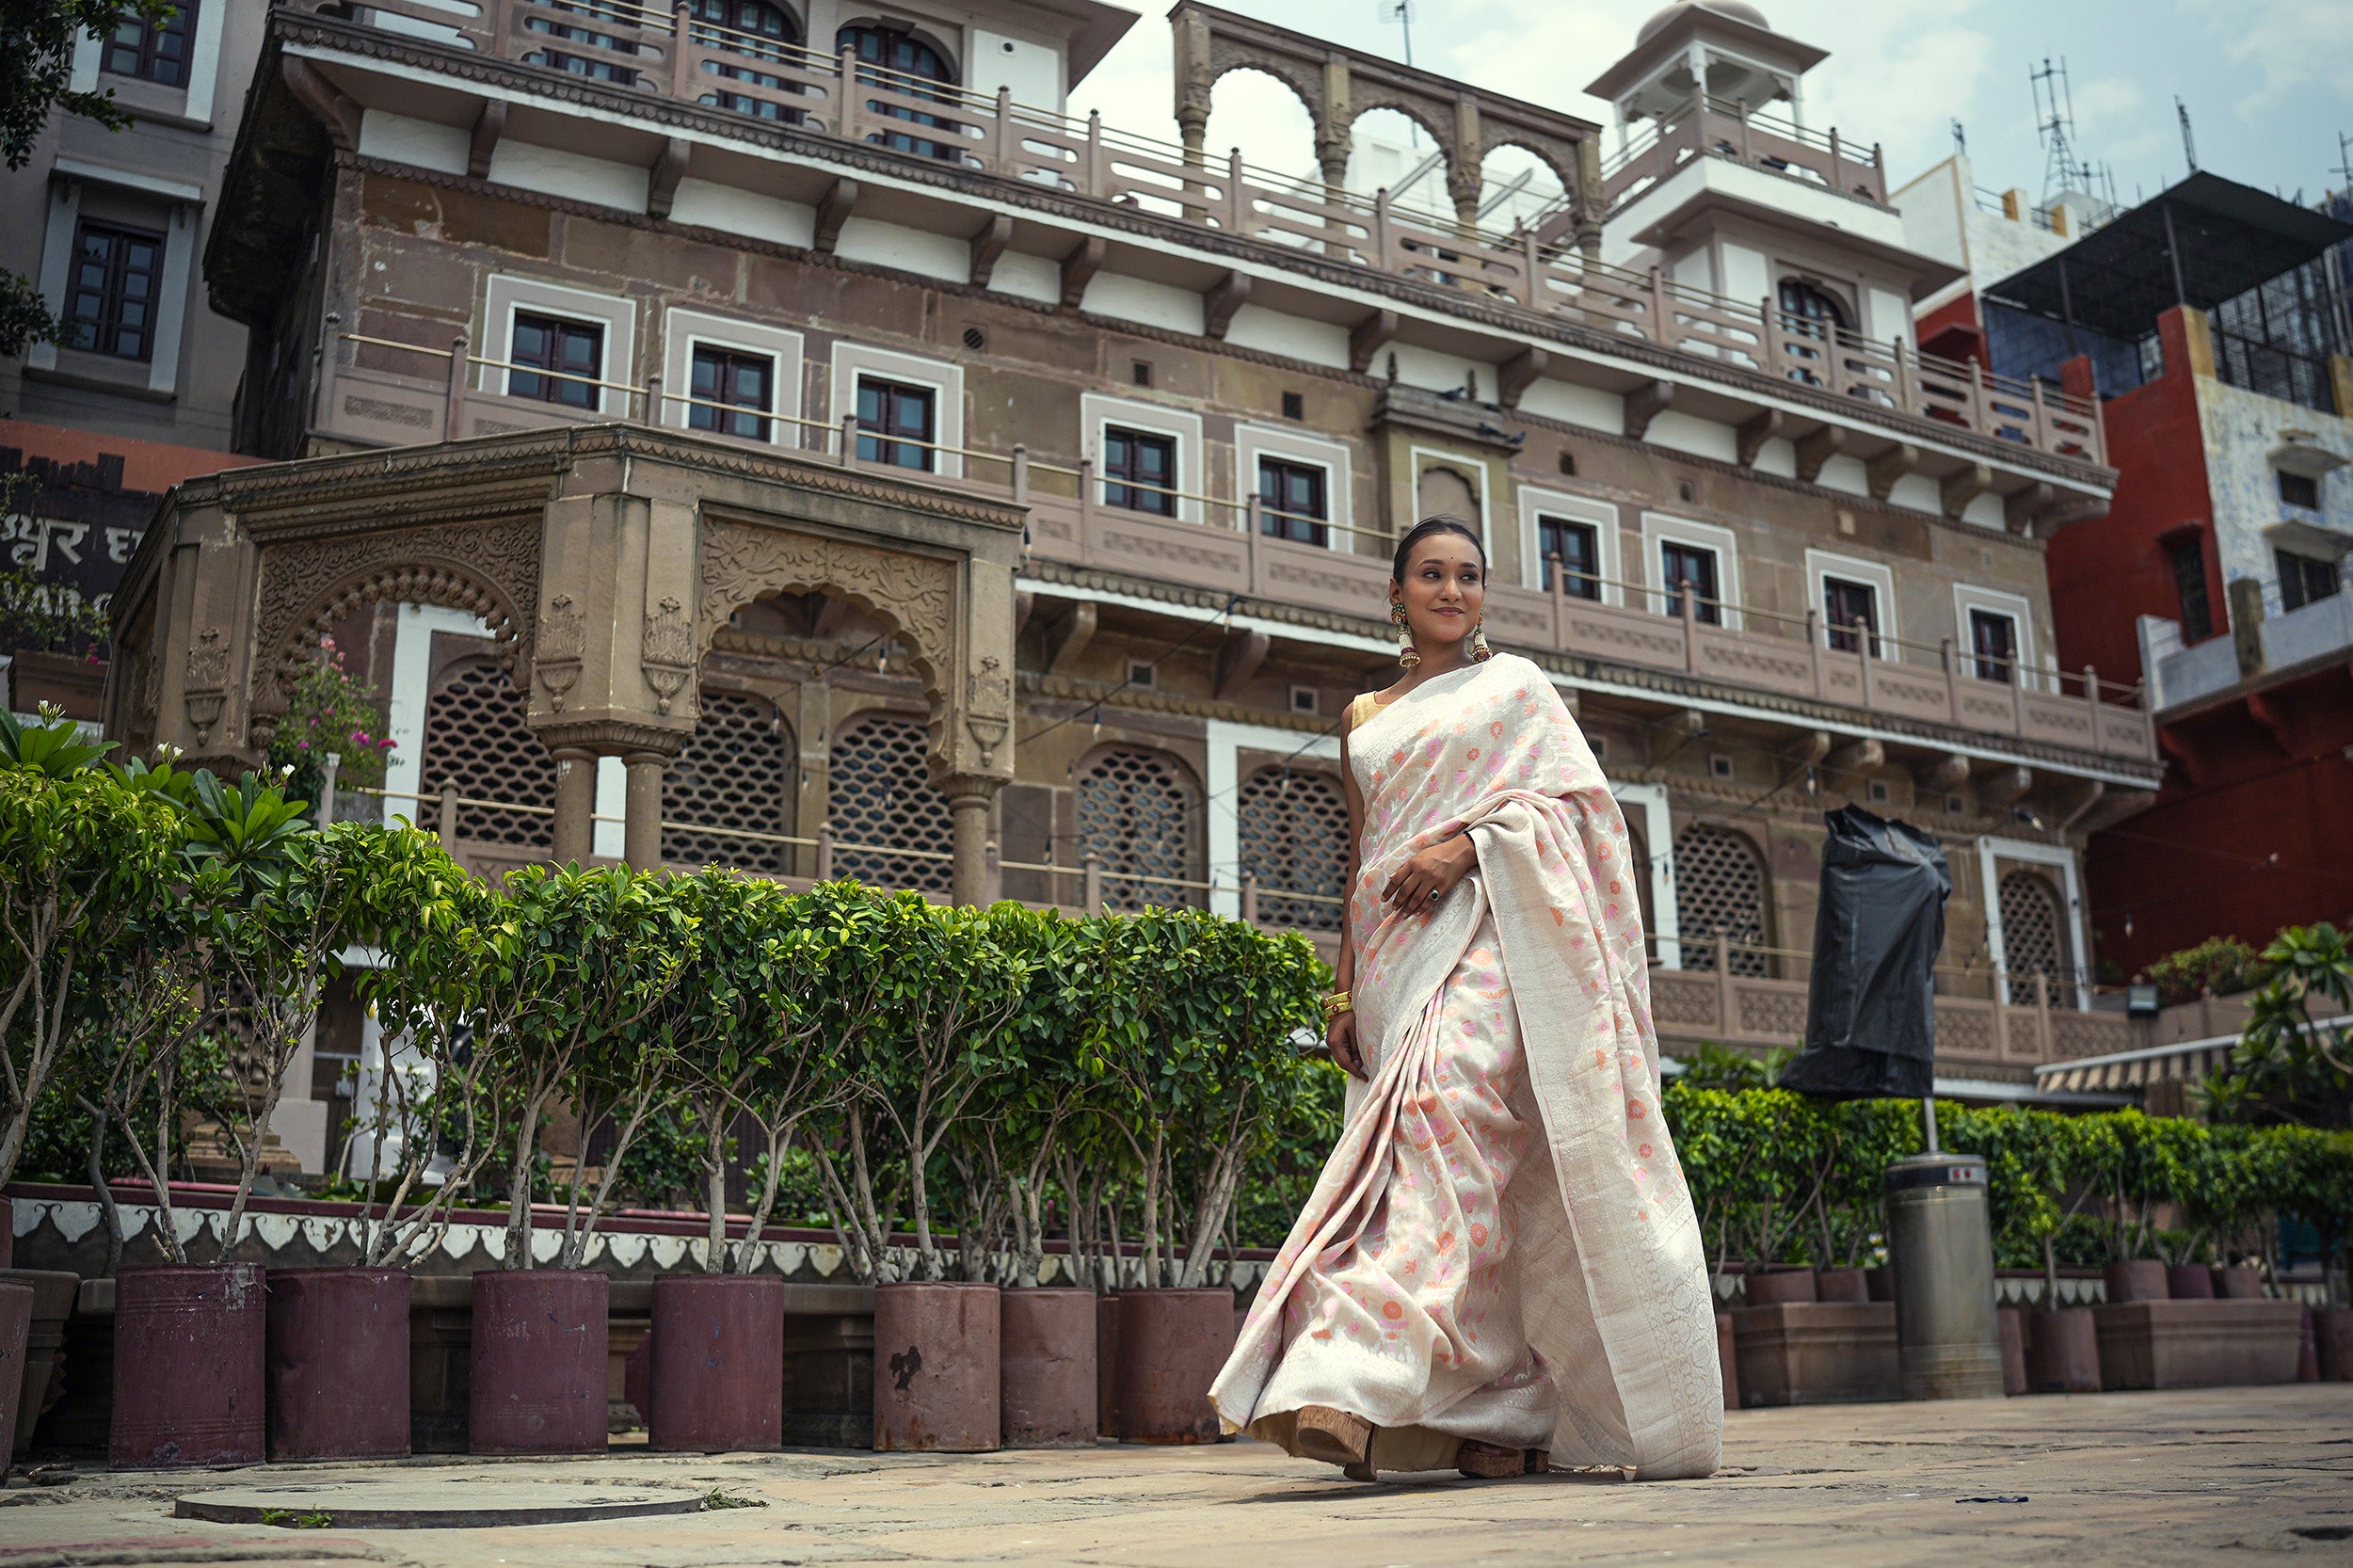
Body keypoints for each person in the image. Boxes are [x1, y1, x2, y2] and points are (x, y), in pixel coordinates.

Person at [1208, 517, 1722, 1483]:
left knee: (1448, 1108)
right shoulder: (1364, 715)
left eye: (1469, 576)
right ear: (1395, 593)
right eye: (1432, 575)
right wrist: (1343, 990)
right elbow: (1362, 861)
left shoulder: (1516, 689)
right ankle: (1500, 1408)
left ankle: (1356, 1370)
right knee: (1444, 1163)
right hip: (1397, 959)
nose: (1452, 590)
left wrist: (1465, 848)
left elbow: (1576, 808)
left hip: (1500, 936)